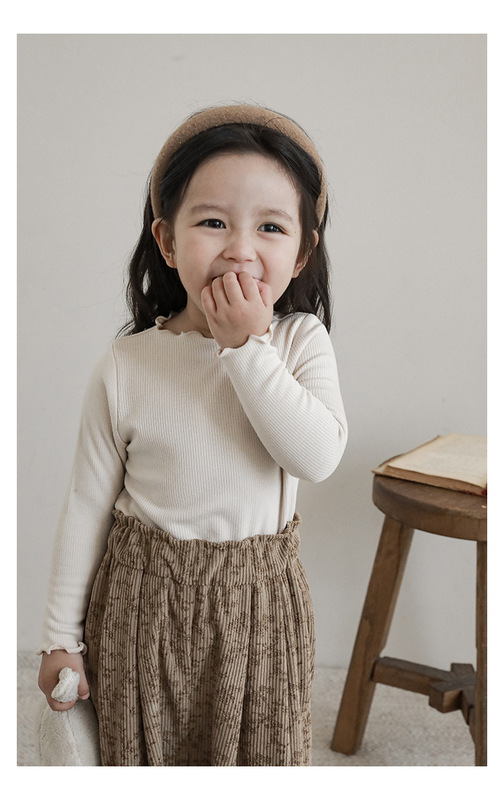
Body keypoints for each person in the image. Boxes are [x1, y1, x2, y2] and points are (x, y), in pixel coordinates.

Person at [37, 103, 348, 766]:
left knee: (260, 755)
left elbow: (317, 456)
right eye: (213, 222)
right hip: (141, 604)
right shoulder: (128, 365)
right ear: (168, 241)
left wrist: (246, 349)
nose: (240, 248)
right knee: (144, 752)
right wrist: (60, 637)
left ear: (301, 253)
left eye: (270, 227)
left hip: (260, 608)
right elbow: (87, 505)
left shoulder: (299, 343)